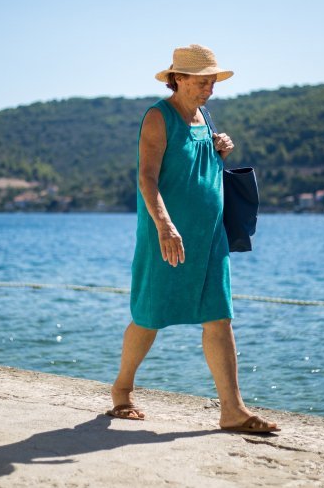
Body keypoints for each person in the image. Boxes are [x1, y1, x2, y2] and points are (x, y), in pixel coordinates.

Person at [107, 44, 279, 433]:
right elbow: (147, 178)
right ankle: (122, 390)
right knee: (149, 315)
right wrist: (165, 226)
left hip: (209, 237)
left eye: (212, 81)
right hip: (166, 234)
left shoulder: (205, 116)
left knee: (219, 317)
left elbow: (200, 161)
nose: (209, 89)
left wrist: (221, 146)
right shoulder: (158, 116)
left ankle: (232, 410)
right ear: (178, 79)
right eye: (202, 82)